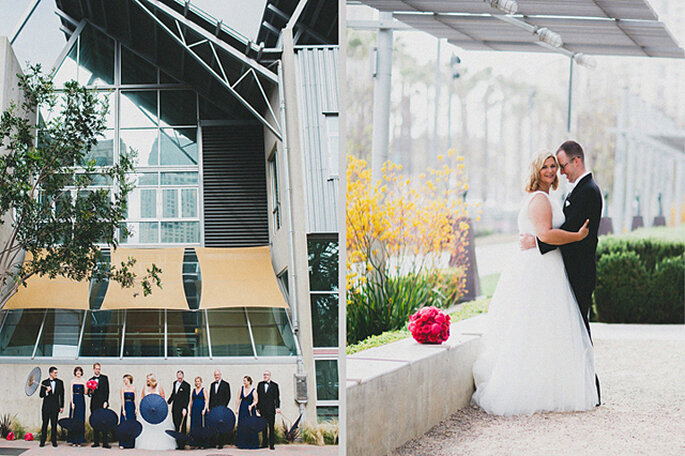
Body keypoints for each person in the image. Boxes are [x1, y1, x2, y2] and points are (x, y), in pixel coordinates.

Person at [472, 151, 598, 416]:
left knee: (545, 329)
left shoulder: (544, 196)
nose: (552, 171)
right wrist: (576, 237)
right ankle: (530, 387)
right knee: (537, 328)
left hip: (546, 265)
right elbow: (546, 234)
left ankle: (546, 384)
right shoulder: (540, 199)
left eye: (554, 166)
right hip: (541, 268)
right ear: (536, 170)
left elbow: (540, 235)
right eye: (546, 167)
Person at [520, 140, 603, 405]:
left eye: (560, 165)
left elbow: (577, 234)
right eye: (551, 166)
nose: (559, 172)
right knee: (567, 330)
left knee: (579, 329)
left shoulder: (588, 191)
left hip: (579, 271)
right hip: (562, 270)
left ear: (576, 161)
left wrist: (538, 241)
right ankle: (576, 387)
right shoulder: (572, 191)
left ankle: (589, 389)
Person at [135, 374, 176, 450]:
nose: (147, 380)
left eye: (149, 379)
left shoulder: (159, 387)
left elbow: (163, 398)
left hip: (158, 412)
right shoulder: (145, 387)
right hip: (147, 412)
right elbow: (142, 398)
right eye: (147, 379)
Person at [39, 366, 64, 448]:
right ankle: (42, 441)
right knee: (45, 424)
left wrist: (61, 406)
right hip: (46, 407)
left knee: (54, 424)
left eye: (57, 373)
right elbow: (41, 395)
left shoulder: (60, 382)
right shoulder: (44, 382)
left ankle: (54, 441)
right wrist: (46, 391)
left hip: (55, 407)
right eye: (55, 373)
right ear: (50, 373)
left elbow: (62, 395)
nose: (56, 374)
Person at [88, 362, 110, 448]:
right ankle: (96, 442)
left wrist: (106, 401)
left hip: (102, 403)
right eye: (96, 369)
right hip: (94, 403)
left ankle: (105, 442)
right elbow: (89, 394)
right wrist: (90, 392)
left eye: (99, 369)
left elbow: (107, 391)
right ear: (93, 369)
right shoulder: (90, 379)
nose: (98, 370)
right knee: (95, 421)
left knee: (104, 421)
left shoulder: (104, 378)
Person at [256, 370, 280, 450]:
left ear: (270, 376)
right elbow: (258, 397)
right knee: (263, 427)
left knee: (271, 427)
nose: (265, 376)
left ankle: (272, 444)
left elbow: (277, 398)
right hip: (262, 409)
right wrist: (258, 407)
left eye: (267, 375)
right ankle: (264, 443)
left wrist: (277, 407)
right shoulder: (260, 384)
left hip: (271, 410)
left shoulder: (274, 385)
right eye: (264, 375)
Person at [235, 376, 260, 450]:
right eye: (243, 381)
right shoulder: (241, 389)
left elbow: (256, 400)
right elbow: (238, 399)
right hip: (242, 408)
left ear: (249, 382)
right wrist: (236, 409)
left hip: (250, 409)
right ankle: (242, 444)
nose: (244, 382)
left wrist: (252, 405)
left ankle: (252, 444)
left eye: (245, 381)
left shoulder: (253, 390)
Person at [208, 370, 231, 449]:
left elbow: (228, 396)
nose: (216, 376)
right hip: (214, 408)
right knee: (213, 425)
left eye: (217, 375)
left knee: (221, 426)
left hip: (221, 408)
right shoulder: (212, 384)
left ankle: (221, 443)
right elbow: (211, 397)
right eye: (215, 375)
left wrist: (223, 407)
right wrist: (210, 408)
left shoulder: (226, 384)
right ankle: (213, 443)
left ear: (220, 375)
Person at [167, 370, 190, 439]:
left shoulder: (186, 385)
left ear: (183, 376)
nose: (179, 377)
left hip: (182, 408)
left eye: (181, 375)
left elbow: (187, 397)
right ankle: (177, 441)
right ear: (177, 376)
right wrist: (168, 402)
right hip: (175, 407)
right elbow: (173, 394)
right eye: (178, 375)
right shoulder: (174, 383)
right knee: (176, 424)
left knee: (182, 425)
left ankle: (182, 443)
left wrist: (185, 408)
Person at [67, 367, 86, 446]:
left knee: (80, 419)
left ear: (81, 372)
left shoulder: (84, 381)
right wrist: (72, 403)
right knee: (73, 420)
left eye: (80, 371)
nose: (78, 373)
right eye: (77, 371)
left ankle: (80, 440)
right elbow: (71, 392)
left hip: (81, 400)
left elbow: (85, 392)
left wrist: (87, 386)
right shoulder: (72, 381)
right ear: (75, 372)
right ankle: (73, 440)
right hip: (74, 399)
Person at [119, 374, 137, 449]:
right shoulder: (123, 388)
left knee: (131, 424)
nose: (124, 381)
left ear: (129, 379)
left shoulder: (134, 388)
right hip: (126, 405)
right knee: (124, 424)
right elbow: (122, 399)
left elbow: (135, 399)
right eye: (124, 379)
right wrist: (123, 409)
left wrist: (136, 408)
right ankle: (123, 443)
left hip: (132, 406)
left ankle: (131, 443)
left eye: (125, 379)